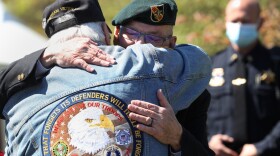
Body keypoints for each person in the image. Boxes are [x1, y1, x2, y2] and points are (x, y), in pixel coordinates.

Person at [2, 0, 214, 155]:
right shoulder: (29, 80)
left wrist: (178, 138)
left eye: (154, 38)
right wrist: (46, 57)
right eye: (133, 34)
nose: (142, 46)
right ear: (111, 33)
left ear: (172, 43)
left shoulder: (190, 89)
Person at [207, 0, 280, 155]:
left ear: (260, 22)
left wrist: (261, 148)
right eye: (234, 21)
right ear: (226, 22)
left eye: (245, 21)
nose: (239, 26)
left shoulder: (275, 63)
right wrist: (208, 141)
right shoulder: (209, 66)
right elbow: (194, 116)